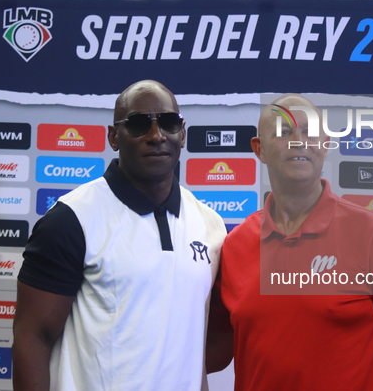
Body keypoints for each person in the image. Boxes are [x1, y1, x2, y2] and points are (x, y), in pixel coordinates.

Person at [12, 80, 227, 391]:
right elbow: (33, 338)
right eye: (139, 124)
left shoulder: (209, 224)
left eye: (168, 123)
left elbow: (195, 351)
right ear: (114, 137)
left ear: (182, 135)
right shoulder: (71, 218)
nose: (156, 136)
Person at [208, 94, 373, 390]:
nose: (298, 141)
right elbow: (213, 353)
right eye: (284, 132)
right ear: (259, 149)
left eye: (308, 132)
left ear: (325, 145)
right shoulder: (234, 245)